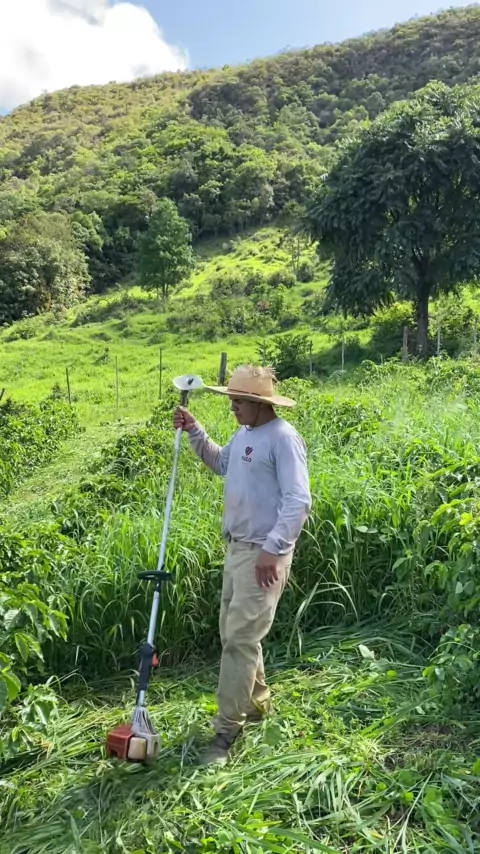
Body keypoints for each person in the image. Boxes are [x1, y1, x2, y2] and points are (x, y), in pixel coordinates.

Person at [173, 365, 311, 766]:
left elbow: (298, 500)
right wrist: (195, 431)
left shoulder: (283, 438)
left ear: (259, 403)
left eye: (237, 401)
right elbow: (223, 464)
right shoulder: (245, 434)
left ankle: (225, 732)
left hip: (263, 554)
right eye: (231, 400)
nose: (232, 407)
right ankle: (258, 705)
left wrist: (274, 550)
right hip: (237, 549)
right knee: (236, 634)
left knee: (240, 639)